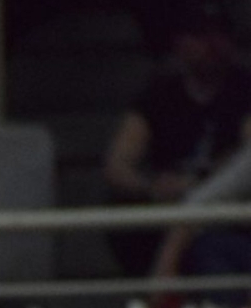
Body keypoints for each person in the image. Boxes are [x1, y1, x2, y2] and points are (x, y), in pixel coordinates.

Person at [103, 9, 251, 291]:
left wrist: (203, 183)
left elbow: (245, 160)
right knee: (127, 220)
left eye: (219, 33)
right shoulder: (159, 95)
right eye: (200, 34)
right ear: (179, 43)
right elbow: (117, 165)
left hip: (223, 212)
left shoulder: (245, 89)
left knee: (210, 244)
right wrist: (152, 186)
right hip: (168, 206)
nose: (212, 44)